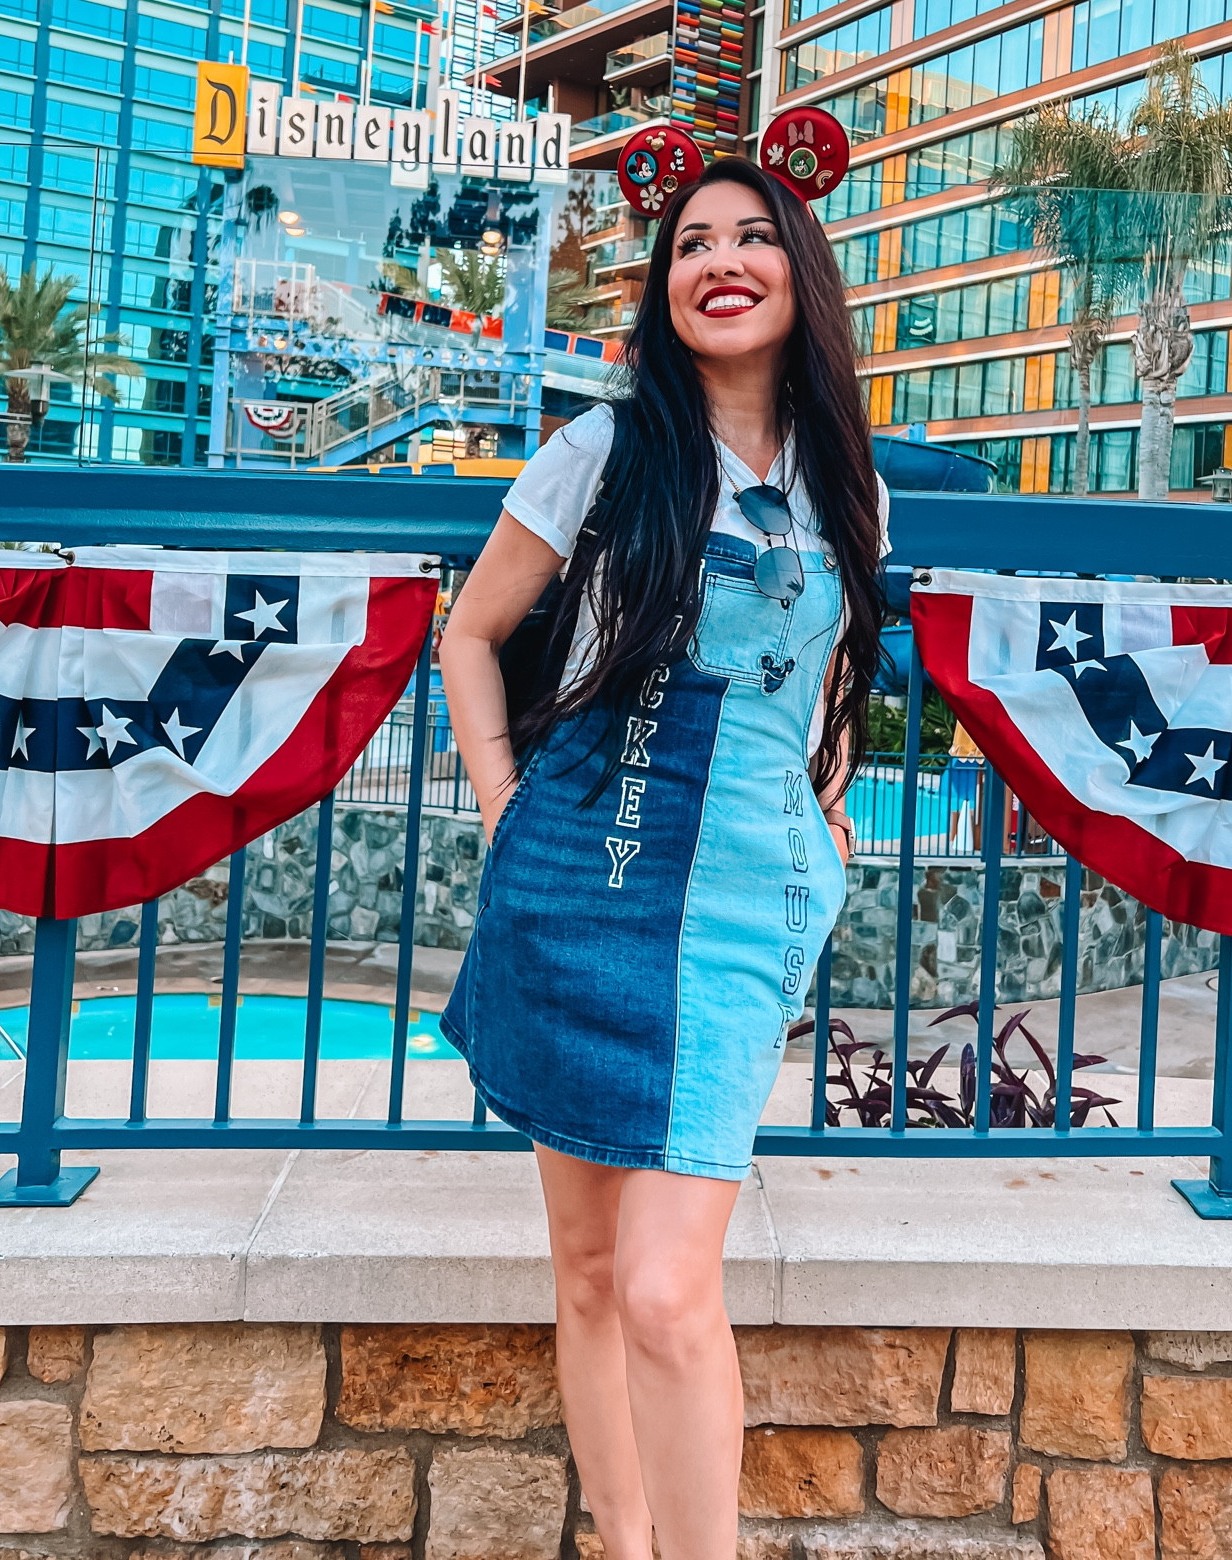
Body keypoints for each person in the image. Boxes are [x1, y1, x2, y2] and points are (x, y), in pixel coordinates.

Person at [438, 135, 888, 1560]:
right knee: (583, 1271)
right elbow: (471, 633)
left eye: (749, 237)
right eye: (692, 245)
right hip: (581, 881)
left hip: (741, 905)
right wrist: (508, 811)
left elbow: (833, 676)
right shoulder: (601, 451)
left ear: (795, 273)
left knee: (663, 1291)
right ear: (664, 287)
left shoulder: (848, 480)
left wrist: (825, 814)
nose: (720, 263)